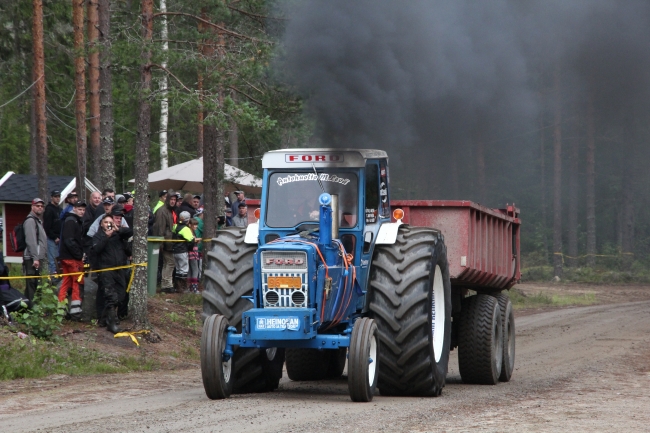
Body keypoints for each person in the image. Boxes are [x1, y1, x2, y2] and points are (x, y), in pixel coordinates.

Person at [92, 214, 133, 333]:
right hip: (106, 269)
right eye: (106, 222)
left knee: (121, 295)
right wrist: (106, 236)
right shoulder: (98, 236)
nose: (108, 224)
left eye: (111, 222)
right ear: (101, 224)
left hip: (119, 269)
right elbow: (96, 249)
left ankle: (104, 319)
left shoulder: (118, 235)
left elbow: (130, 232)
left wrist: (118, 229)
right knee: (111, 297)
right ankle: (112, 323)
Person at [58, 201, 86, 320]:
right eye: (79, 209)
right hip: (72, 258)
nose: (82, 211)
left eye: (83, 210)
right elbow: (69, 240)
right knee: (77, 283)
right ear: (74, 209)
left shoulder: (72, 220)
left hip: (66, 257)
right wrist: (79, 255)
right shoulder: (71, 221)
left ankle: (61, 311)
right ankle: (76, 313)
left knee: (66, 282)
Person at [22, 198, 47, 302]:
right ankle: (30, 308)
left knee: (37, 284)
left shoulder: (37, 221)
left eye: (41, 206)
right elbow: (31, 241)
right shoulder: (30, 221)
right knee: (31, 284)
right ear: (32, 207)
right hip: (32, 258)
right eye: (37, 206)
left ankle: (33, 307)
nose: (40, 207)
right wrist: (35, 258)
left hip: (37, 257)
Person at [153, 191, 177, 293]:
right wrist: (161, 243)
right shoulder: (162, 211)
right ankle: (167, 284)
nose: (173, 201)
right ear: (167, 200)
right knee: (170, 262)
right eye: (171, 199)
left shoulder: (169, 211)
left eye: (174, 200)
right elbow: (160, 229)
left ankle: (166, 284)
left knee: (167, 263)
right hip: (165, 241)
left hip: (169, 241)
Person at [172, 211, 195, 285]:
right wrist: (190, 249)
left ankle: (177, 286)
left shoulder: (175, 226)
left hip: (174, 251)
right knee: (184, 270)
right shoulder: (186, 229)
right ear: (188, 220)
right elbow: (191, 241)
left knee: (178, 269)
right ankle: (183, 287)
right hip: (182, 251)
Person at [43, 190, 62, 275]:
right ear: (51, 197)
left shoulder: (60, 209)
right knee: (52, 260)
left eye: (58, 196)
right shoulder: (49, 209)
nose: (57, 198)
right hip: (52, 239)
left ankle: (58, 277)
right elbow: (46, 227)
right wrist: (54, 237)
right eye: (55, 197)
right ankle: (53, 279)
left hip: (60, 238)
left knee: (59, 260)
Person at [187, 218, 200, 293]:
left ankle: (190, 287)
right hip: (192, 253)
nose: (196, 226)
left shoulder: (193, 232)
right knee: (195, 270)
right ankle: (194, 288)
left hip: (193, 252)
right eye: (194, 225)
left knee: (191, 270)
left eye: (196, 225)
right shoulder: (190, 233)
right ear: (190, 225)